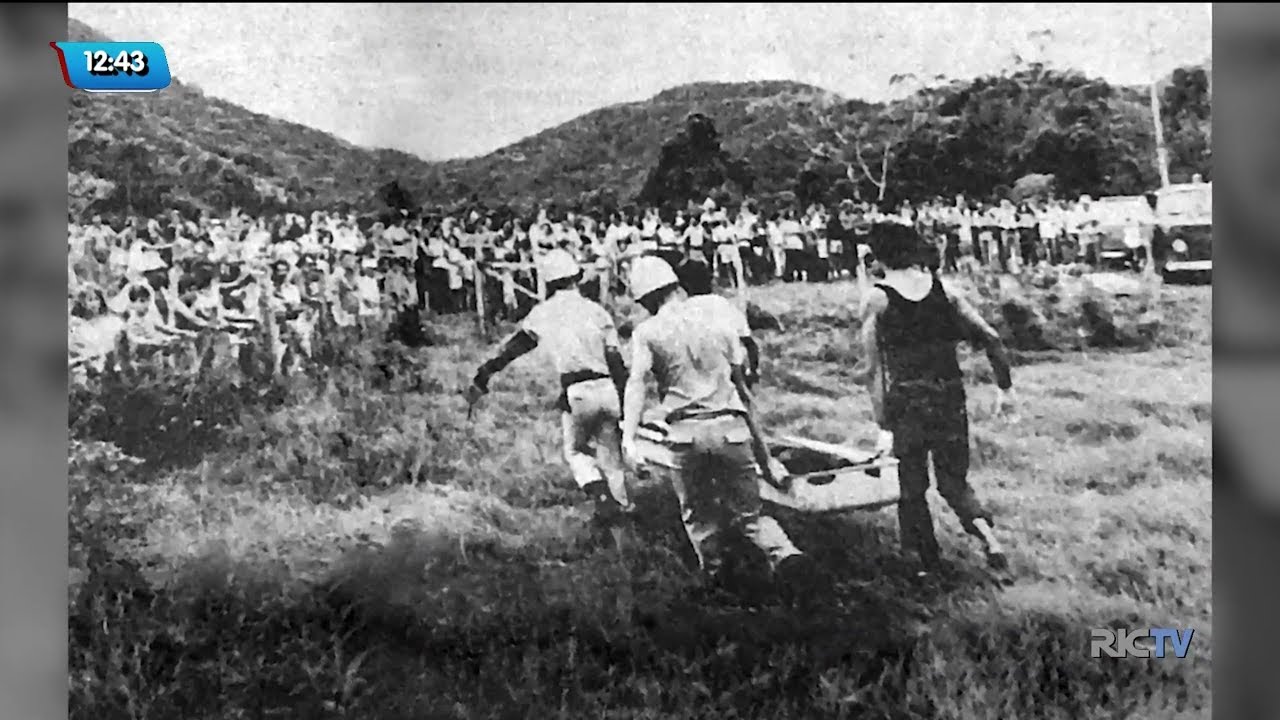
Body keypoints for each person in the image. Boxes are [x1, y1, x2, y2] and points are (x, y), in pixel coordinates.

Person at [620, 256, 814, 595]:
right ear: (676, 286)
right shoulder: (720, 323)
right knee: (751, 515)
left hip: (686, 434)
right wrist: (765, 455)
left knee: (699, 516)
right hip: (731, 428)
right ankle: (785, 556)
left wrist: (629, 438)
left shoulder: (647, 332)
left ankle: (718, 578)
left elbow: (636, 383)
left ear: (645, 299)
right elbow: (743, 392)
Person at [852, 223, 1014, 576]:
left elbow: (872, 369)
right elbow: (990, 337)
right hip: (949, 396)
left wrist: (883, 424)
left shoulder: (878, 299)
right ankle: (988, 537)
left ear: (878, 255)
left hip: (908, 400)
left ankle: (928, 563)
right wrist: (1005, 389)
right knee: (954, 482)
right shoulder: (946, 291)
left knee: (912, 487)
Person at [465, 249, 633, 531]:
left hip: (577, 390)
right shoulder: (597, 310)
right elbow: (616, 362)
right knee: (612, 458)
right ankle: (621, 524)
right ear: (577, 277)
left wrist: (485, 374)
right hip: (607, 388)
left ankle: (602, 498)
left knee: (576, 452)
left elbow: (515, 347)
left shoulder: (543, 313)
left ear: (549, 281)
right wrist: (626, 402)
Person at [674, 258, 759, 388]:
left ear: (683, 287)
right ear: (711, 282)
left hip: (696, 375)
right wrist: (753, 371)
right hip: (730, 368)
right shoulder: (723, 304)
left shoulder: (681, 310)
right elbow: (749, 343)